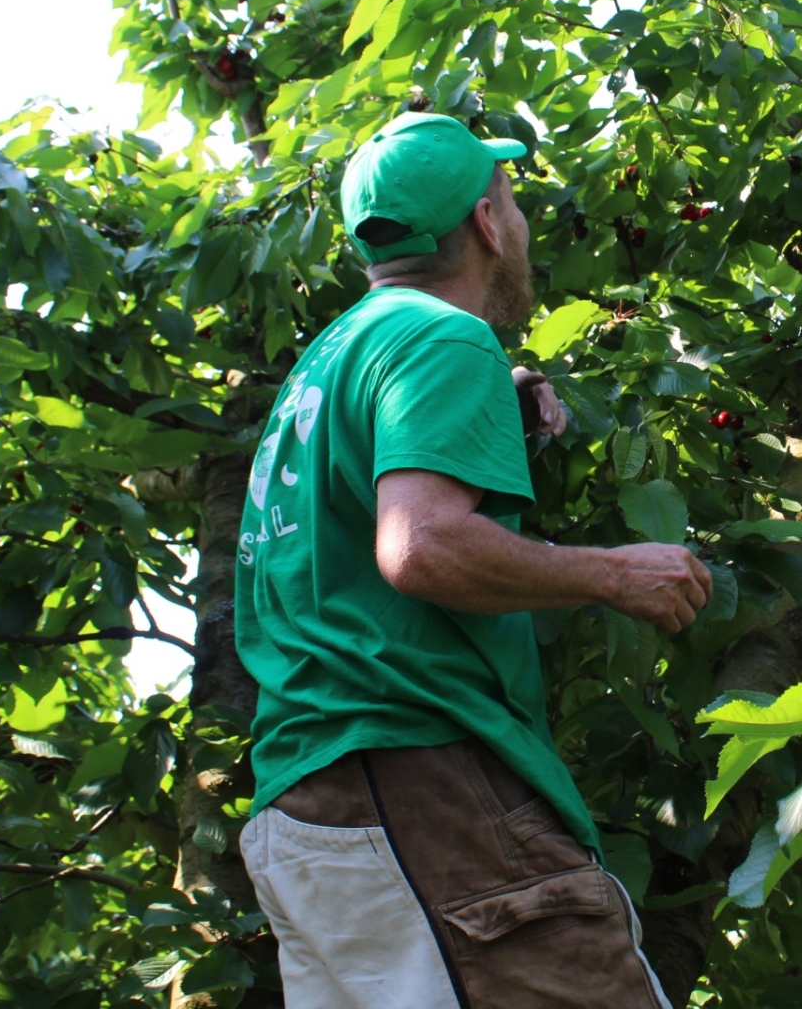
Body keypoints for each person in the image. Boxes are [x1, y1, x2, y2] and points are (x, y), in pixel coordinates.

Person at [233, 112, 712, 1008]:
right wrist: (615, 573)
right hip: (421, 784)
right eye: (514, 202)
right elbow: (420, 546)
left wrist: (499, 411)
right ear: (489, 223)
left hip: (310, 804)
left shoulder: (326, 362)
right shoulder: (443, 339)